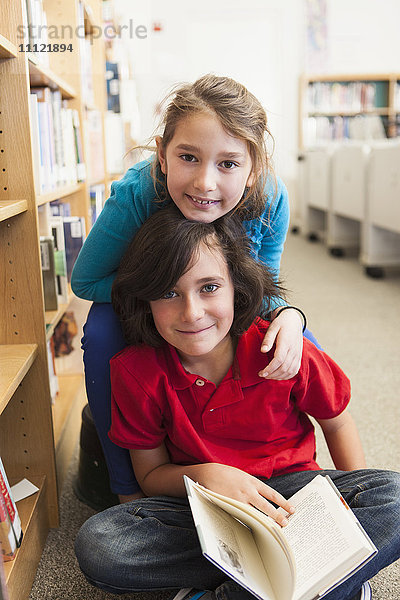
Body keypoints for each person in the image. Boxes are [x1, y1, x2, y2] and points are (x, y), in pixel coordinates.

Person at [75, 206, 400, 600]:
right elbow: (151, 474)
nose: (192, 312)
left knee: (394, 498)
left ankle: (245, 586)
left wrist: (350, 525)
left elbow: (338, 423)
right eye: (168, 293)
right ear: (146, 301)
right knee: (102, 543)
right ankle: (323, 577)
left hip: (292, 499)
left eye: (209, 287)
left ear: (236, 288)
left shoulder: (279, 348)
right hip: (206, 506)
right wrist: (207, 475)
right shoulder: (136, 372)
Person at [71, 74, 318, 502]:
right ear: (163, 156)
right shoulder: (137, 193)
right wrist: (162, 288)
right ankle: (128, 491)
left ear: (253, 170)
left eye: (228, 164)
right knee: (102, 332)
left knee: (297, 341)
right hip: (149, 301)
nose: (205, 182)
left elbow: (262, 287)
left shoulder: (271, 198)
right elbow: (86, 280)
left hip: (225, 298)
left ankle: (267, 464)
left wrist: (291, 316)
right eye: (188, 157)